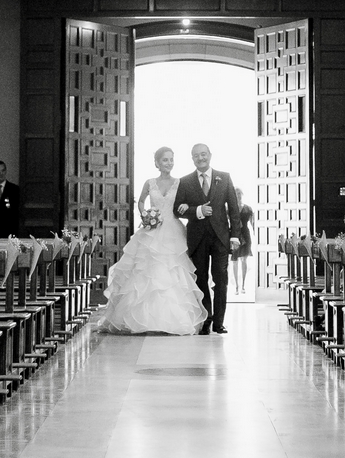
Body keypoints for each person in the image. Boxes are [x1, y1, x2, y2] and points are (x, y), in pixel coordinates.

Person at [100, 146, 210, 335]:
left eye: (171, 159)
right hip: (152, 230)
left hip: (173, 232)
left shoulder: (180, 183)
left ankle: (171, 320)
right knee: (147, 272)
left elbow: (184, 203)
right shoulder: (150, 182)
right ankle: (143, 320)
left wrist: (185, 205)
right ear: (157, 163)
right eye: (165, 160)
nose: (169, 163)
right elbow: (141, 201)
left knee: (172, 273)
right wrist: (145, 214)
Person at [174, 143, 246, 333]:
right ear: (192, 158)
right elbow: (176, 209)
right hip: (197, 238)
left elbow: (233, 209)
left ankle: (219, 322)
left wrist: (235, 236)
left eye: (203, 154)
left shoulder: (224, 178)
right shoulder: (185, 181)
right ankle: (206, 320)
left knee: (221, 279)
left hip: (221, 237)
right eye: (196, 155)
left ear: (210, 155)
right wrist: (196, 211)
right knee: (201, 279)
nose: (200, 158)